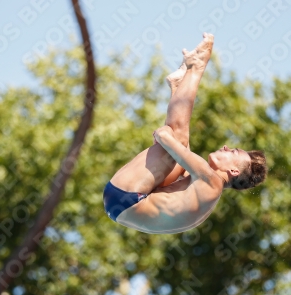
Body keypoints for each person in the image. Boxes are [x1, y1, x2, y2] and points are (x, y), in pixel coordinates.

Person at [103, 33, 267, 234]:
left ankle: (197, 66)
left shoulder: (212, 182)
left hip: (127, 196)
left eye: (233, 152)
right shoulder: (203, 189)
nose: (226, 147)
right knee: (179, 154)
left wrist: (164, 137)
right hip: (120, 202)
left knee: (177, 140)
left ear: (233, 171)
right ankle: (181, 83)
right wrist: (175, 93)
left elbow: (169, 139)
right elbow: (179, 151)